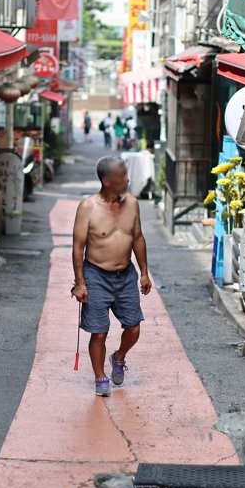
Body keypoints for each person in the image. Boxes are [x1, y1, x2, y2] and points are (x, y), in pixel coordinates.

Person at [71, 156, 153, 396]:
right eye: (121, 177)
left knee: (134, 327)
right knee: (99, 331)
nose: (127, 180)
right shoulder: (88, 207)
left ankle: (118, 357)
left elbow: (137, 237)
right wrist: (80, 283)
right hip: (96, 274)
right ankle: (100, 377)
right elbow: (78, 246)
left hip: (126, 274)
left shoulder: (132, 203)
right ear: (107, 181)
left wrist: (144, 273)